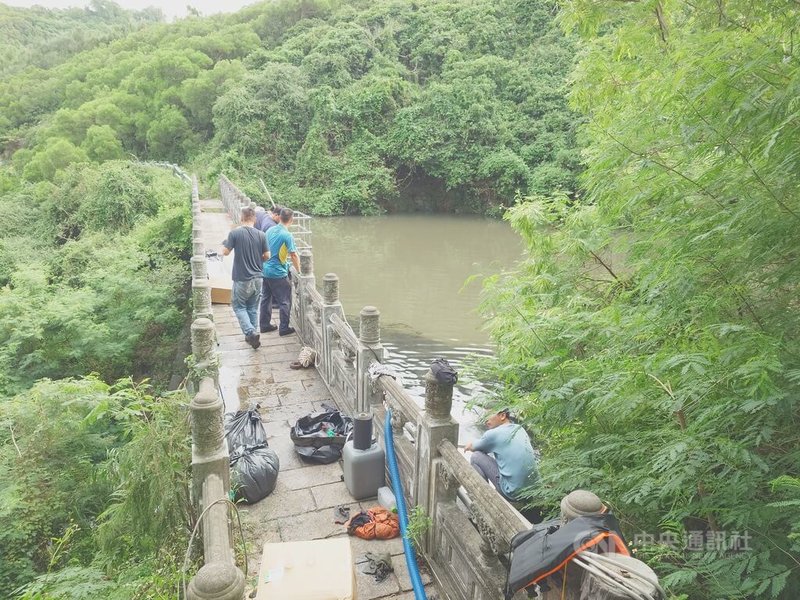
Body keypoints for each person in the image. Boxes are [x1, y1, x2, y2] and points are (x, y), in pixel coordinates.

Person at [465, 408, 540, 502]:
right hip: (533, 492)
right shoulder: (520, 429)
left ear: (502, 416)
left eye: (488, 415)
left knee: (476, 456)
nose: (485, 420)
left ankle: (482, 499)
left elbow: (473, 447)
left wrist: (469, 444)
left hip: (512, 493)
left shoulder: (493, 434)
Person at [221, 206, 269, 349]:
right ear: (254, 218)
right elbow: (267, 256)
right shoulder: (261, 235)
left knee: (239, 306)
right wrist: (257, 259)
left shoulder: (234, 233)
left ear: (241, 218)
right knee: (253, 308)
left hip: (242, 278)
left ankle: (250, 332)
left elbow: (225, 252)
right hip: (258, 278)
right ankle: (253, 334)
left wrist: (225, 244)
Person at [260, 207, 300, 336]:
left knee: (266, 298)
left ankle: (264, 325)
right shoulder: (286, 235)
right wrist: (299, 271)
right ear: (291, 220)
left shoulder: (270, 230)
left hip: (265, 270)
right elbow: (293, 255)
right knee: (285, 301)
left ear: (280, 217)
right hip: (277, 273)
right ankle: (284, 328)